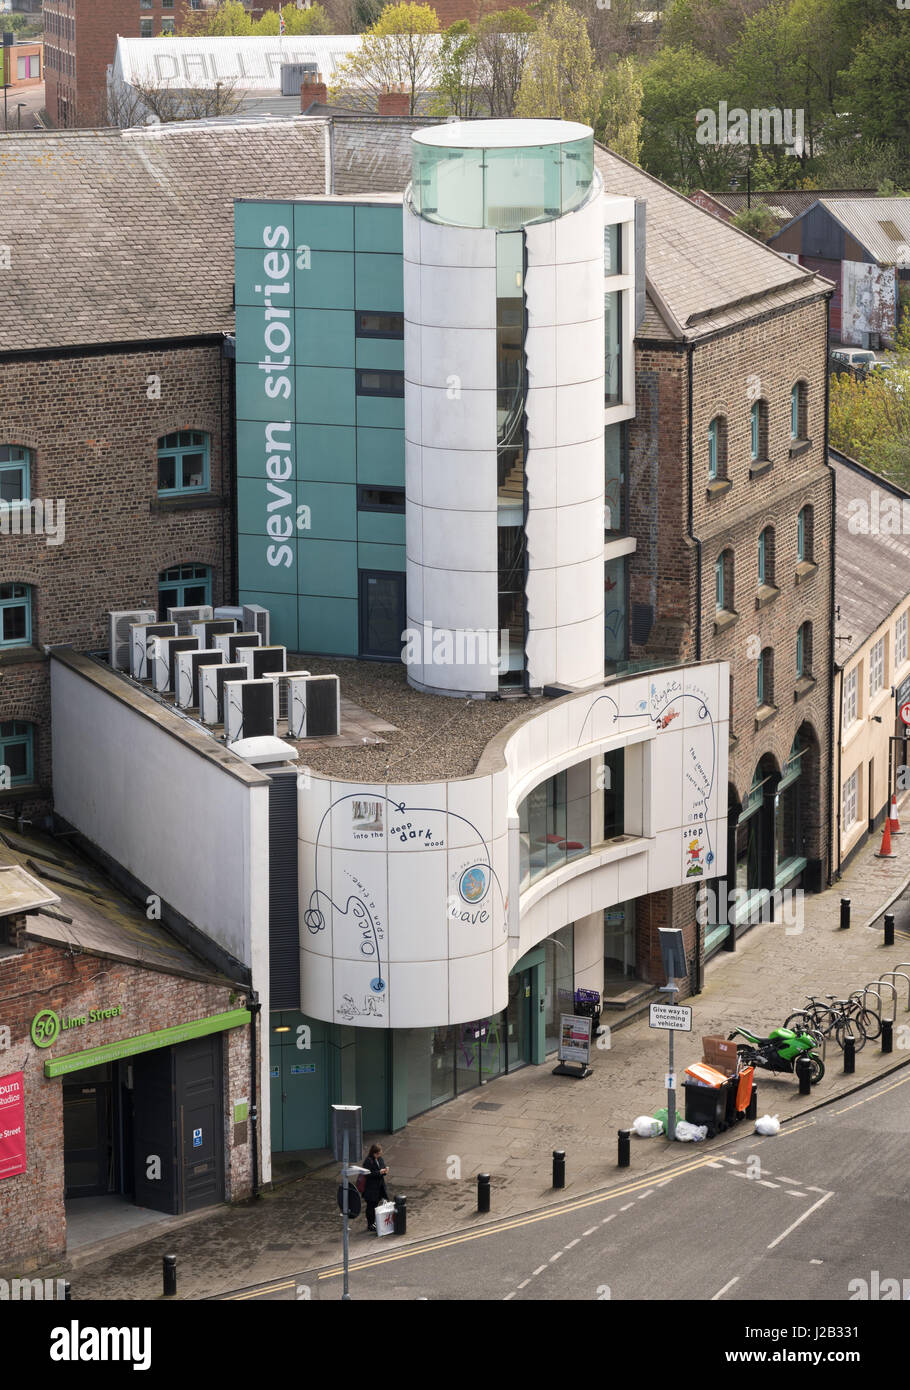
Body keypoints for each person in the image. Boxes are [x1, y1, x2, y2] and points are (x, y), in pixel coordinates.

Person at [362, 1142, 389, 1233]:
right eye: (379, 1153)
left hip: (379, 1188)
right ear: (374, 1153)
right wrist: (379, 1172)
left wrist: (385, 1171)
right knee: (370, 1207)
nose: (381, 1155)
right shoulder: (368, 1161)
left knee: (376, 1206)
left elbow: (382, 1168)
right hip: (371, 1189)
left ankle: (375, 1222)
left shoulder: (380, 1159)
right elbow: (368, 1174)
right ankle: (370, 1224)